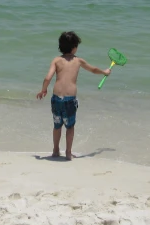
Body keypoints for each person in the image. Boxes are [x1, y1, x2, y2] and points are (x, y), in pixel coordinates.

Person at [36, 31, 111, 160]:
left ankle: (55, 150)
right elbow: (93, 70)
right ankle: (68, 153)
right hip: (70, 100)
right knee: (70, 127)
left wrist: (43, 90)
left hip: (56, 98)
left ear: (60, 46)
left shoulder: (56, 60)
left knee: (57, 125)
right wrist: (105, 72)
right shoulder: (78, 61)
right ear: (74, 47)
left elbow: (48, 77)